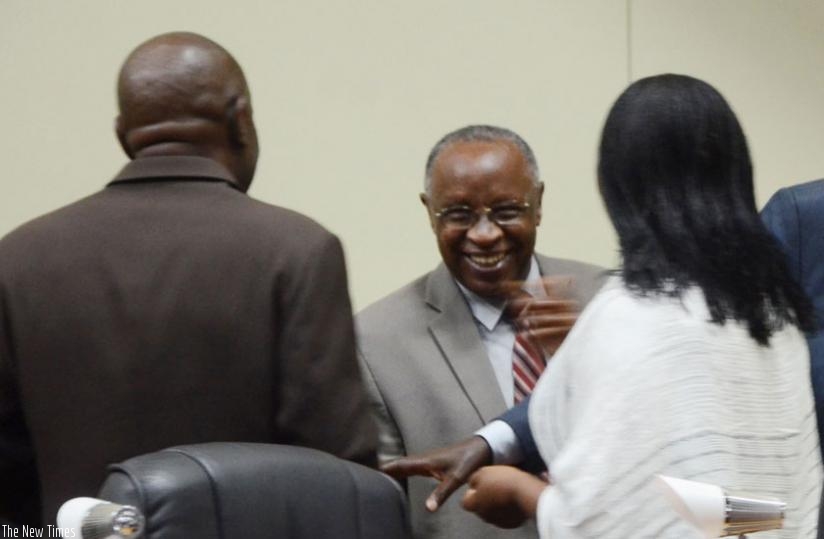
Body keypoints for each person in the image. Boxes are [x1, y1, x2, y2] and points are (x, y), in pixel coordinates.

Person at [0, 32, 376, 527]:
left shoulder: (16, 259)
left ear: (123, 134)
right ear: (241, 120)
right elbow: (340, 474)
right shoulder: (298, 250)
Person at [453, 74, 822, 537]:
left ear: (617, 185)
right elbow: (757, 513)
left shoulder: (630, 316)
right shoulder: (775, 318)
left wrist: (520, 492)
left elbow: (608, 520)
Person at [357, 125, 603, 539]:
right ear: (429, 212)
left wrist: (590, 360)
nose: (484, 234)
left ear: (539, 204)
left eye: (506, 211)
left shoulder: (607, 303)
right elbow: (381, 515)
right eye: (459, 215)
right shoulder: (376, 343)